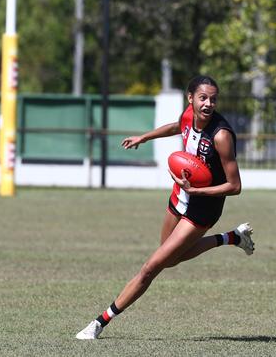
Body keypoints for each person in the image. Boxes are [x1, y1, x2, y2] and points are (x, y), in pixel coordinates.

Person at [75, 75, 254, 340]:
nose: (208, 104)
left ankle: (99, 323)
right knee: (171, 259)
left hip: (202, 209)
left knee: (151, 267)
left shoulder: (222, 136)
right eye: (203, 98)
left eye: (213, 99)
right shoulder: (188, 115)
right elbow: (177, 126)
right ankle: (231, 237)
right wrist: (145, 137)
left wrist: (197, 191)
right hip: (180, 196)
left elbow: (235, 185)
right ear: (190, 98)